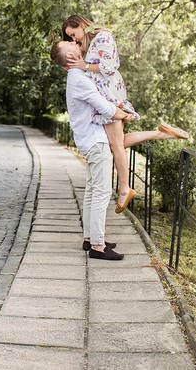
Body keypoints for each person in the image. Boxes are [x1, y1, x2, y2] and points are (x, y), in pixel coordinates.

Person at [61, 15, 189, 215]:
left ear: (82, 25)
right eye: (70, 38)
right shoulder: (93, 42)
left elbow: (109, 69)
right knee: (116, 142)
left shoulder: (103, 36)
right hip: (105, 95)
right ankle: (161, 133)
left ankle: (124, 188)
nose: (74, 39)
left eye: (73, 34)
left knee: (115, 145)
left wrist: (84, 66)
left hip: (109, 95)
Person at [50, 39, 131, 260]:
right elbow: (104, 107)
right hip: (95, 141)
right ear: (69, 57)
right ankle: (98, 246)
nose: (75, 43)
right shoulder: (79, 79)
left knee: (92, 189)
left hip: (88, 140)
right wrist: (125, 114)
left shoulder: (77, 77)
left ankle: (90, 239)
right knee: (102, 192)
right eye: (70, 43)